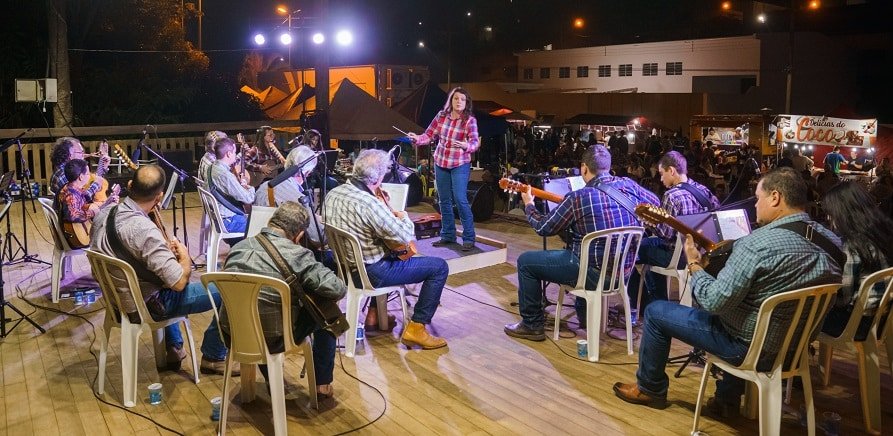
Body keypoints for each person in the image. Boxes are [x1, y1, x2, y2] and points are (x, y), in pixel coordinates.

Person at [613, 168, 842, 416]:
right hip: (795, 350)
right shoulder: (831, 240)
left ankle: (650, 388)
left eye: (758, 198)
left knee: (657, 312)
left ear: (775, 198)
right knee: (750, 311)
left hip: (752, 351)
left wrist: (694, 265)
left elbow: (713, 301)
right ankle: (726, 399)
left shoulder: (756, 244)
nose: (755, 205)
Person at [503, 145, 659, 340]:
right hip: (624, 273)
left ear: (584, 168)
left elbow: (544, 228)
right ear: (608, 166)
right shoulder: (628, 184)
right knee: (584, 252)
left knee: (526, 262)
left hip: (592, 275)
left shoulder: (579, 197)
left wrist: (529, 205)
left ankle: (531, 324)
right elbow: (656, 205)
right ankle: (585, 317)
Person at [90, 165, 234, 375]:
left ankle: (174, 346)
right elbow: (177, 283)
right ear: (160, 196)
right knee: (229, 289)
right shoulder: (143, 229)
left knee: (160, 274)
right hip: (147, 304)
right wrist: (184, 255)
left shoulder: (104, 214)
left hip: (118, 300)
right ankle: (213, 356)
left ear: (130, 186)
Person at [324, 149, 449, 349]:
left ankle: (374, 317)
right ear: (379, 176)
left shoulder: (334, 193)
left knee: (383, 252)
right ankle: (416, 328)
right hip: (372, 273)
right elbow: (404, 236)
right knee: (439, 267)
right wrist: (402, 215)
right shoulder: (369, 203)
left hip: (345, 269)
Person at [222, 201, 346, 401]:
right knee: (329, 313)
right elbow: (337, 289)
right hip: (274, 337)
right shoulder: (297, 253)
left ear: (271, 222)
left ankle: (272, 378)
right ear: (299, 235)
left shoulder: (239, 248)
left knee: (260, 311)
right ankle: (322, 384)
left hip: (233, 332)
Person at [629, 151, 719, 313]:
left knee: (633, 248)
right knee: (650, 248)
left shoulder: (672, 196)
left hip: (680, 256)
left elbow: (667, 234)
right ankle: (654, 302)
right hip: (705, 253)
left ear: (672, 171)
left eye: (662, 174)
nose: (661, 179)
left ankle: (648, 305)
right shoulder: (703, 190)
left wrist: (650, 223)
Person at [408, 87, 480, 251]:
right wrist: (417, 138)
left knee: (460, 199)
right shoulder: (441, 116)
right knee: (444, 200)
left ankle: (469, 237)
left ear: (466, 103)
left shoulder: (469, 120)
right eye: (456, 99)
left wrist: (465, 145)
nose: (459, 102)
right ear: (451, 101)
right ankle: (448, 235)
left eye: (462, 99)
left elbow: (475, 143)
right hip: (441, 161)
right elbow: (428, 135)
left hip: (459, 163)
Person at [820, 182, 893, 340]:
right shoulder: (882, 233)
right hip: (884, 317)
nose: (828, 218)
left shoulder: (854, 246)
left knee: (805, 320)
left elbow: (843, 299)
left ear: (843, 213)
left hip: (860, 324)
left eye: (830, 213)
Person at [255, 145, 326, 248]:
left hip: (261, 245)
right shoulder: (299, 199)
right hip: (283, 251)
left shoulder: (263, 187)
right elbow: (318, 238)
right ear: (307, 172)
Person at [54, 159, 119, 247]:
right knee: (109, 231)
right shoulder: (71, 194)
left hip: (75, 231)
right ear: (81, 177)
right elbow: (73, 216)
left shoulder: (71, 187)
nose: (89, 176)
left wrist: (107, 203)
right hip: (75, 237)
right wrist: (93, 212)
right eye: (88, 174)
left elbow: (86, 202)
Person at [206, 137, 255, 234]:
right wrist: (250, 188)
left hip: (218, 219)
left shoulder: (211, 168)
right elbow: (248, 198)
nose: (235, 155)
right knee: (260, 225)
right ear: (228, 154)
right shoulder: (225, 175)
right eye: (234, 152)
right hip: (229, 222)